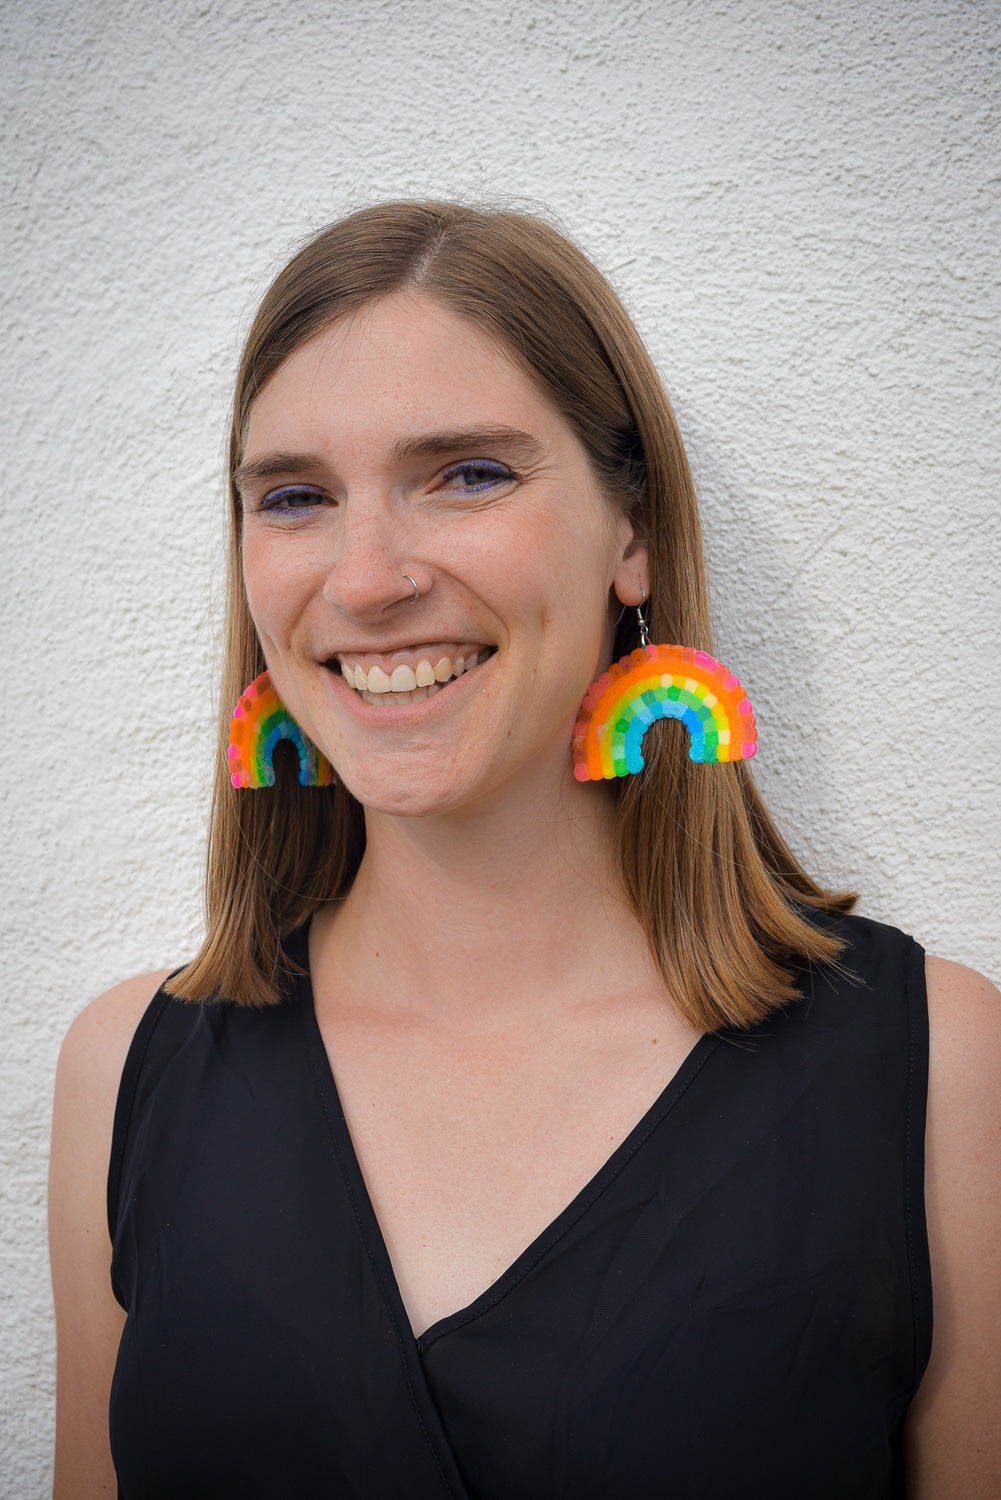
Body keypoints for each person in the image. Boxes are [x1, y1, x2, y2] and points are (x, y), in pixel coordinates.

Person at [49, 201, 1000, 1499]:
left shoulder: (936, 1067)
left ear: (633, 534)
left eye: (468, 473)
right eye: (294, 497)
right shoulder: (124, 1073)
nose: (368, 577)